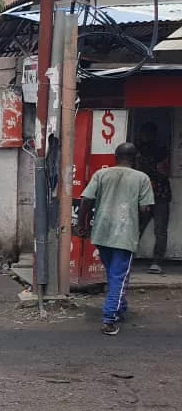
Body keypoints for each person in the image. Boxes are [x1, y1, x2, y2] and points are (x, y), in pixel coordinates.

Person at [78, 142, 155, 336]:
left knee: (114, 273)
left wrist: (82, 225)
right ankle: (109, 318)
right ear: (136, 159)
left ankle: (120, 307)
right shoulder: (142, 178)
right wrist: (139, 228)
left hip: (102, 233)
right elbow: (146, 209)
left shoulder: (101, 174)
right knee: (119, 276)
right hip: (125, 233)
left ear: (115, 157)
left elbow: (86, 200)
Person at [135, 122, 172, 274]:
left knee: (140, 228)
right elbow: (164, 171)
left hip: (155, 194)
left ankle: (153, 261)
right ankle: (156, 262)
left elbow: (164, 171)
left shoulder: (141, 152)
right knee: (156, 229)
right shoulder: (141, 151)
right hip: (156, 193)